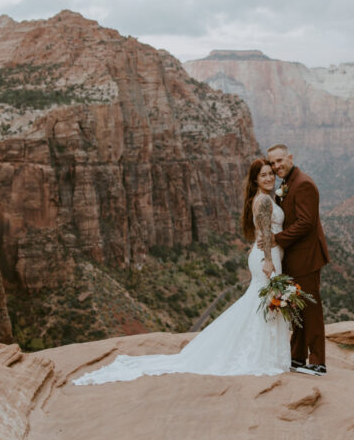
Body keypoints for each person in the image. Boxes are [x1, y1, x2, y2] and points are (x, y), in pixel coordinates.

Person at [73, 159, 290, 385]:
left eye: (270, 174)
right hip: (267, 258)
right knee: (262, 303)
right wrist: (266, 260)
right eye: (263, 175)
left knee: (260, 303)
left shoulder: (262, 198)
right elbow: (264, 232)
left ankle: (260, 352)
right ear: (255, 179)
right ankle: (260, 355)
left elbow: (260, 231)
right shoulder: (264, 200)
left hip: (265, 255)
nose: (268, 178)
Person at [267, 144, 329, 376]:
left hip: (307, 257)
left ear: (290, 157)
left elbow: (306, 223)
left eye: (280, 160)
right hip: (295, 257)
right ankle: (298, 357)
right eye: (272, 163)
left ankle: (317, 361)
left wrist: (277, 239)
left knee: (311, 310)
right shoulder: (287, 183)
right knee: (297, 308)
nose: (276, 166)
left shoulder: (303, 184)